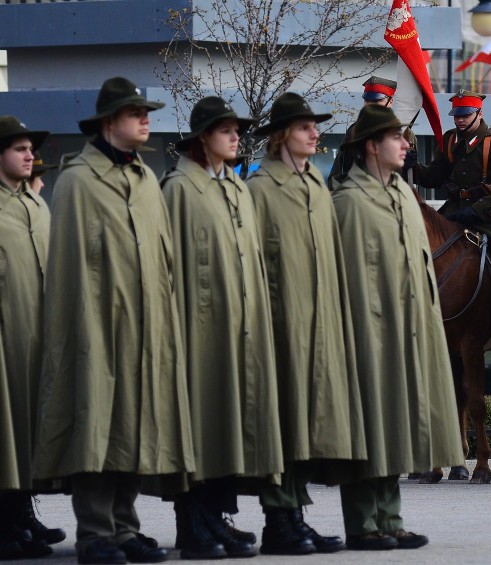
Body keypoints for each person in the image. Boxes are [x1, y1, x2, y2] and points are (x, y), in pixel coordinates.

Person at [31, 77, 195, 564]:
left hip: (147, 329)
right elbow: (68, 271)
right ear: (109, 123)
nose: (145, 120)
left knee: (135, 428)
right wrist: (80, 334)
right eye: (134, 113)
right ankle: (95, 532)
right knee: (95, 425)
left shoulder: (146, 178)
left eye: (145, 112)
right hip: (96, 330)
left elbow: (162, 260)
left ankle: (125, 528)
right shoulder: (79, 181)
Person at [331, 104, 464, 550]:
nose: (406, 145)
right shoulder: (349, 201)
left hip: (410, 328)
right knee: (369, 424)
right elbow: (347, 277)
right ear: (371, 147)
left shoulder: (405, 197)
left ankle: (390, 518)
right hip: (368, 330)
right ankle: (363, 523)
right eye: (396, 138)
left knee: (396, 424)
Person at [161, 96, 285, 559]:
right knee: (199, 427)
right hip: (196, 330)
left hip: (237, 329)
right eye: (225, 130)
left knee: (225, 427)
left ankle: (216, 518)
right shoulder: (179, 189)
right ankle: (193, 526)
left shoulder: (233, 188)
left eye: (237, 129)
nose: (236, 136)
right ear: (202, 139)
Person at [247, 92, 367, 556]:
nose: (314, 133)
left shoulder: (317, 185)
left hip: (320, 326)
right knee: (283, 423)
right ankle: (279, 519)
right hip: (279, 327)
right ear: (281, 136)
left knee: (308, 424)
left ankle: (295, 515)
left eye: (314, 127)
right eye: (304, 127)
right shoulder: (258, 190)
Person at [410, 90, 491, 331]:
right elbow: (435, 176)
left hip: (489, 213)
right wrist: (414, 165)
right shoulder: (449, 141)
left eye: (465, 115)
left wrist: (476, 210)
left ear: (478, 113)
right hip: (455, 209)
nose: (459, 120)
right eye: (456, 115)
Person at [0, 116, 63, 560]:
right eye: (19, 148)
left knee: (26, 430)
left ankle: (22, 513)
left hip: (39, 333)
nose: (30, 155)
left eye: (30, 148)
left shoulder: (37, 205)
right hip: (6, 333)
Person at [328, 76, 396, 181]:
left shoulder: (403, 133)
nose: (369, 105)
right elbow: (337, 173)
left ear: (390, 101)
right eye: (367, 101)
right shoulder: (354, 131)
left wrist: (412, 166)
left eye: (376, 101)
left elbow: (424, 178)